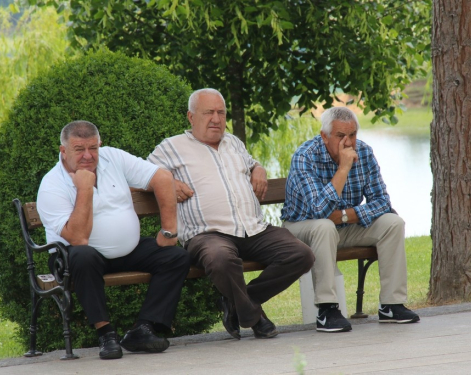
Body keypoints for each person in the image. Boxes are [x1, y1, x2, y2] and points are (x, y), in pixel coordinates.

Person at [148, 88, 315, 340]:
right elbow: (141, 177)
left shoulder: (233, 142)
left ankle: (238, 304)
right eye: (208, 113)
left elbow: (249, 163)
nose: (216, 118)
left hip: (253, 229)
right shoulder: (172, 147)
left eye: (221, 112)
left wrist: (258, 167)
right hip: (207, 235)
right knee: (220, 259)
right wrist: (167, 182)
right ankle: (254, 317)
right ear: (191, 117)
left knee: (301, 255)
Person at [37, 120, 191, 359]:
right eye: (79, 149)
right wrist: (84, 189)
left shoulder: (113, 158)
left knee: (175, 256)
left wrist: (169, 231)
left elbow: (161, 177)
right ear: (63, 151)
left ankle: (143, 329)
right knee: (84, 255)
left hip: (127, 251)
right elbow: (78, 237)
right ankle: (105, 334)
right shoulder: (52, 185)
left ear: (100, 145)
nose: (88, 156)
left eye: (93, 148)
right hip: (76, 256)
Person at [281, 106, 420, 333]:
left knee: (393, 223)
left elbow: (383, 202)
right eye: (340, 136)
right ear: (324, 136)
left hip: (344, 225)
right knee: (324, 226)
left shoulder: (364, 152)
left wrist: (347, 215)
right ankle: (327, 310)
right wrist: (343, 169)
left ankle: (391, 305)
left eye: (352, 135)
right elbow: (319, 210)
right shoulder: (305, 157)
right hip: (300, 229)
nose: (348, 142)